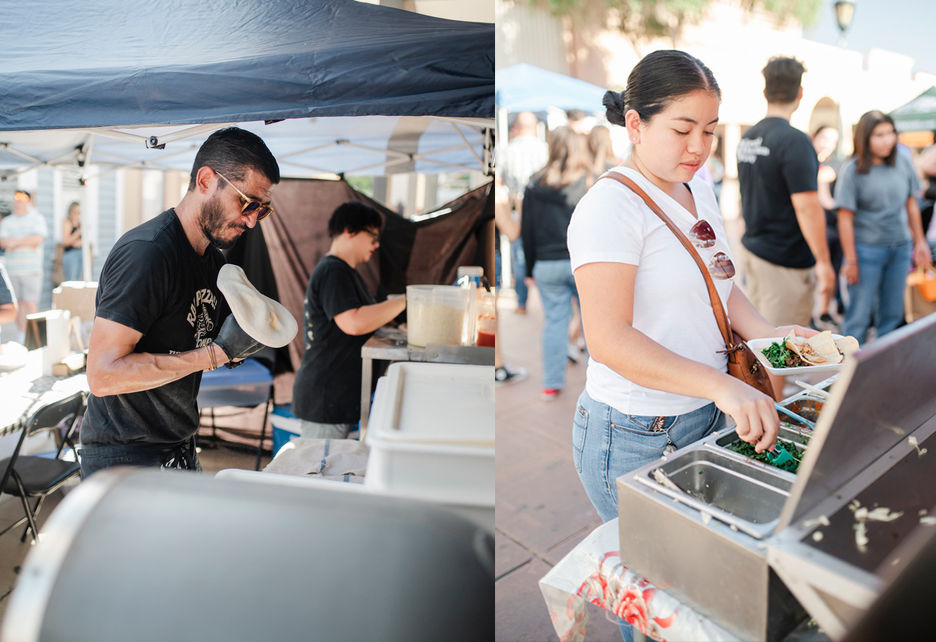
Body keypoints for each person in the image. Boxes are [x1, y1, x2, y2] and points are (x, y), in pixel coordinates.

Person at [568, 48, 815, 548]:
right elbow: (609, 340)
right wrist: (721, 386)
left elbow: (719, 281)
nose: (699, 146)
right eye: (682, 130)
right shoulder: (611, 206)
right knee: (656, 583)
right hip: (636, 429)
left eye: (710, 130)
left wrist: (768, 337)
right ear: (635, 125)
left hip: (701, 410)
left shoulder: (696, 190)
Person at [81, 127, 282, 477]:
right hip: (125, 457)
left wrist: (236, 345)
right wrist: (215, 354)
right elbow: (103, 375)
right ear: (206, 180)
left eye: (261, 210)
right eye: (247, 203)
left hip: (179, 446)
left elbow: (194, 341)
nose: (251, 220)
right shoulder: (148, 254)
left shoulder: (213, 264)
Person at [291, 201, 406, 439]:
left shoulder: (345, 271)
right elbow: (353, 323)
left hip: (336, 397)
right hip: (325, 397)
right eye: (373, 235)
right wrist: (408, 300)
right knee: (320, 471)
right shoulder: (333, 271)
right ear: (349, 231)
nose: (376, 244)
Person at [736, 57, 835, 329]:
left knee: (758, 339)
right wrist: (825, 263)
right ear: (800, 94)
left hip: (754, 251)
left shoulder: (748, 137)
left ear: (765, 92)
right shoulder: (795, 141)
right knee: (782, 349)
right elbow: (807, 207)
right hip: (784, 262)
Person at [835, 110, 932, 344]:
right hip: (866, 251)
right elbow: (845, 218)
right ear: (865, 138)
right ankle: (848, 374)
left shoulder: (903, 162)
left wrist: (919, 242)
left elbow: (911, 204)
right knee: (858, 316)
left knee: (892, 315)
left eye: (890, 133)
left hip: (900, 248)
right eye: (879, 135)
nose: (887, 140)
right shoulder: (852, 170)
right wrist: (850, 260)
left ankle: (884, 372)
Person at [521, 126, 591, 401]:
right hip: (583, 262)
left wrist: (528, 270)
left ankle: (550, 384)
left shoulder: (534, 183)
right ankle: (597, 387)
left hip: (546, 263)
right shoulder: (589, 181)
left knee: (554, 322)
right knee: (592, 324)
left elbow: (526, 229)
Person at [502, 111, 548, 314]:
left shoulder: (508, 150)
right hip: (543, 209)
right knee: (543, 254)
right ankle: (546, 301)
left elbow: (501, 181)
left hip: (519, 206)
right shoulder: (545, 149)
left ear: (516, 127)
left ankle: (522, 303)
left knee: (520, 256)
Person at [0, 190, 48, 341]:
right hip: (12, 270)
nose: (18, 201)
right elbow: (4, 242)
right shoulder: (7, 222)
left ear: (29, 200)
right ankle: (22, 336)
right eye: (16, 198)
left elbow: (37, 239)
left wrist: (16, 242)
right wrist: (25, 241)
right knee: (17, 304)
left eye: (22, 198)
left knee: (31, 303)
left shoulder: (37, 219)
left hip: (31, 270)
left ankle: (34, 338)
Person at [811, 125, 843, 330]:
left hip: (833, 227)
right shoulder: (813, 166)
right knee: (820, 273)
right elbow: (825, 200)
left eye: (833, 141)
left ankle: (823, 312)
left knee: (831, 272)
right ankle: (817, 313)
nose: (827, 144)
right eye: (824, 138)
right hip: (817, 227)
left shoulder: (830, 166)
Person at [61, 201, 83, 281]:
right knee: (71, 279)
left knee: (79, 280)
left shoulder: (80, 223)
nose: (77, 214)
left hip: (80, 252)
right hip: (71, 254)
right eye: (76, 212)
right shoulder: (67, 222)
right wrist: (78, 233)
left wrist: (80, 242)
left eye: (79, 212)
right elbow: (66, 241)